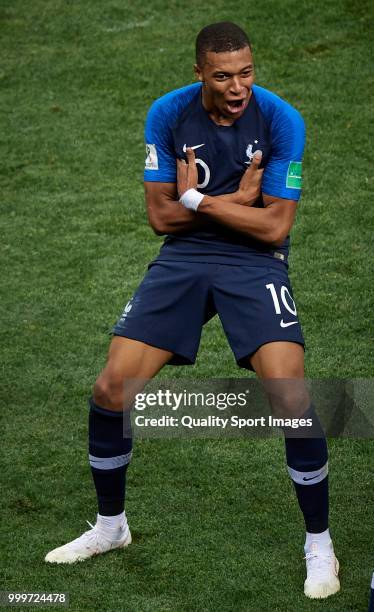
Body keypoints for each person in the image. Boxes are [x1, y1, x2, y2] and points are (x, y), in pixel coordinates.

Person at [45, 22, 340, 600]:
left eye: (247, 72)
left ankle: (320, 545)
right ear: (200, 72)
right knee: (111, 389)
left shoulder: (281, 120)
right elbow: (160, 219)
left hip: (256, 260)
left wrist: (195, 198)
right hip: (184, 256)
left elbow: (275, 224)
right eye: (224, 75)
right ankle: (111, 528)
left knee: (290, 395)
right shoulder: (169, 113)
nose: (238, 86)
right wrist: (231, 202)